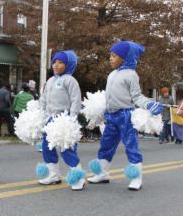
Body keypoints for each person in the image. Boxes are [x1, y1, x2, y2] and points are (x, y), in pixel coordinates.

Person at [87, 41, 163, 191]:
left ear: (126, 57)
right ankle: (102, 173)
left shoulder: (131, 75)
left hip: (126, 116)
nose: (110, 58)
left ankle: (136, 178)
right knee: (106, 145)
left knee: (131, 146)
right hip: (111, 116)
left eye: (114, 56)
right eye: (110, 55)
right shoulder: (111, 74)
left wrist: (148, 104)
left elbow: (136, 96)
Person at [38, 50, 86, 191]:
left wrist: (72, 118)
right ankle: (54, 175)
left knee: (67, 150)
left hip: (64, 119)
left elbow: (76, 100)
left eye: (60, 63)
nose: (55, 65)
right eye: (54, 62)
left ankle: (79, 178)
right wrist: (40, 113)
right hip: (50, 120)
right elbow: (44, 99)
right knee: (47, 148)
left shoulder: (70, 80)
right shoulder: (50, 80)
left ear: (68, 64)